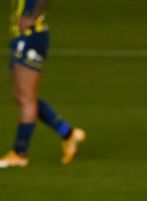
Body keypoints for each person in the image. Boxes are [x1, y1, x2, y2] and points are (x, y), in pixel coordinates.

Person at [0, 0, 85, 169]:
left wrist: (32, 17)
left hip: (32, 37)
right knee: (20, 96)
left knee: (27, 99)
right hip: (23, 38)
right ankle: (68, 134)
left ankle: (19, 154)